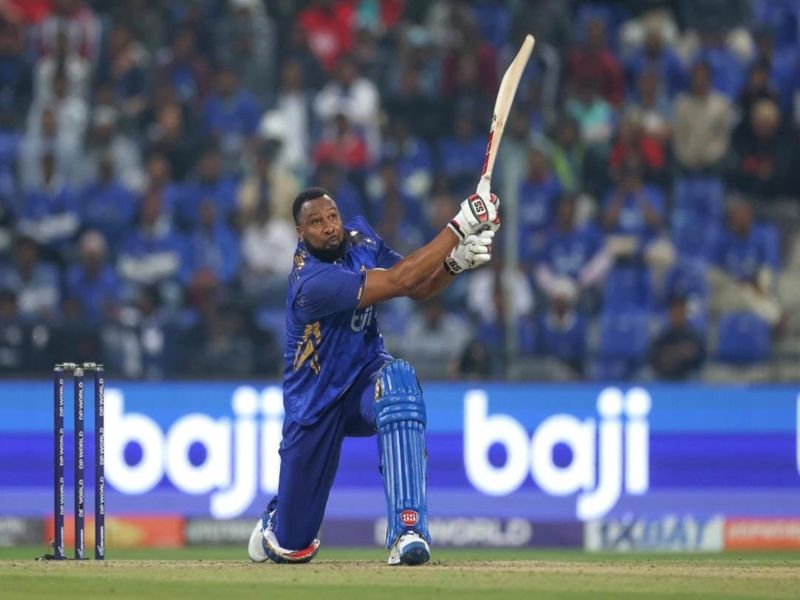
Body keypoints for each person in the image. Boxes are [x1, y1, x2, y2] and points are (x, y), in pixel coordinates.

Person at [248, 186, 499, 566]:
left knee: (399, 382)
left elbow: (418, 286)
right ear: (300, 233)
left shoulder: (361, 238)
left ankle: (408, 530)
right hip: (315, 402)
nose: (329, 227)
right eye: (316, 222)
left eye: (332, 216)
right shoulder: (311, 282)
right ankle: (280, 519)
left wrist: (455, 263)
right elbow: (400, 280)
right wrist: (459, 227)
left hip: (365, 376)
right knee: (293, 546)